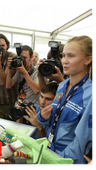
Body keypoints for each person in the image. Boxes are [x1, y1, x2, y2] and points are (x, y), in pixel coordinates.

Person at [37, 35, 93, 165]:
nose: (64, 61)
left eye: (71, 56)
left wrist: (59, 160)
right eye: (64, 55)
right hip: (48, 150)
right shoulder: (62, 85)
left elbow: (82, 140)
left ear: (88, 60)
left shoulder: (91, 94)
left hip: (66, 160)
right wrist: (42, 118)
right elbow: (54, 120)